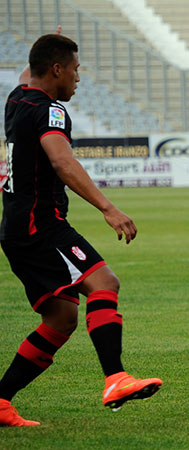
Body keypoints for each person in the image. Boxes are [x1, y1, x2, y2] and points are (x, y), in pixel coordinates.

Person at [0, 32, 162, 427]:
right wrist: (108, 208)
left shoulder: (17, 99)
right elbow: (62, 161)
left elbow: (30, 68)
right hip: (42, 225)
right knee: (104, 282)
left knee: (61, 320)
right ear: (55, 69)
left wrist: (50, 43)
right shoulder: (51, 111)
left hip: (18, 225)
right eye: (74, 70)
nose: (78, 78)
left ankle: (1, 402)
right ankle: (115, 379)